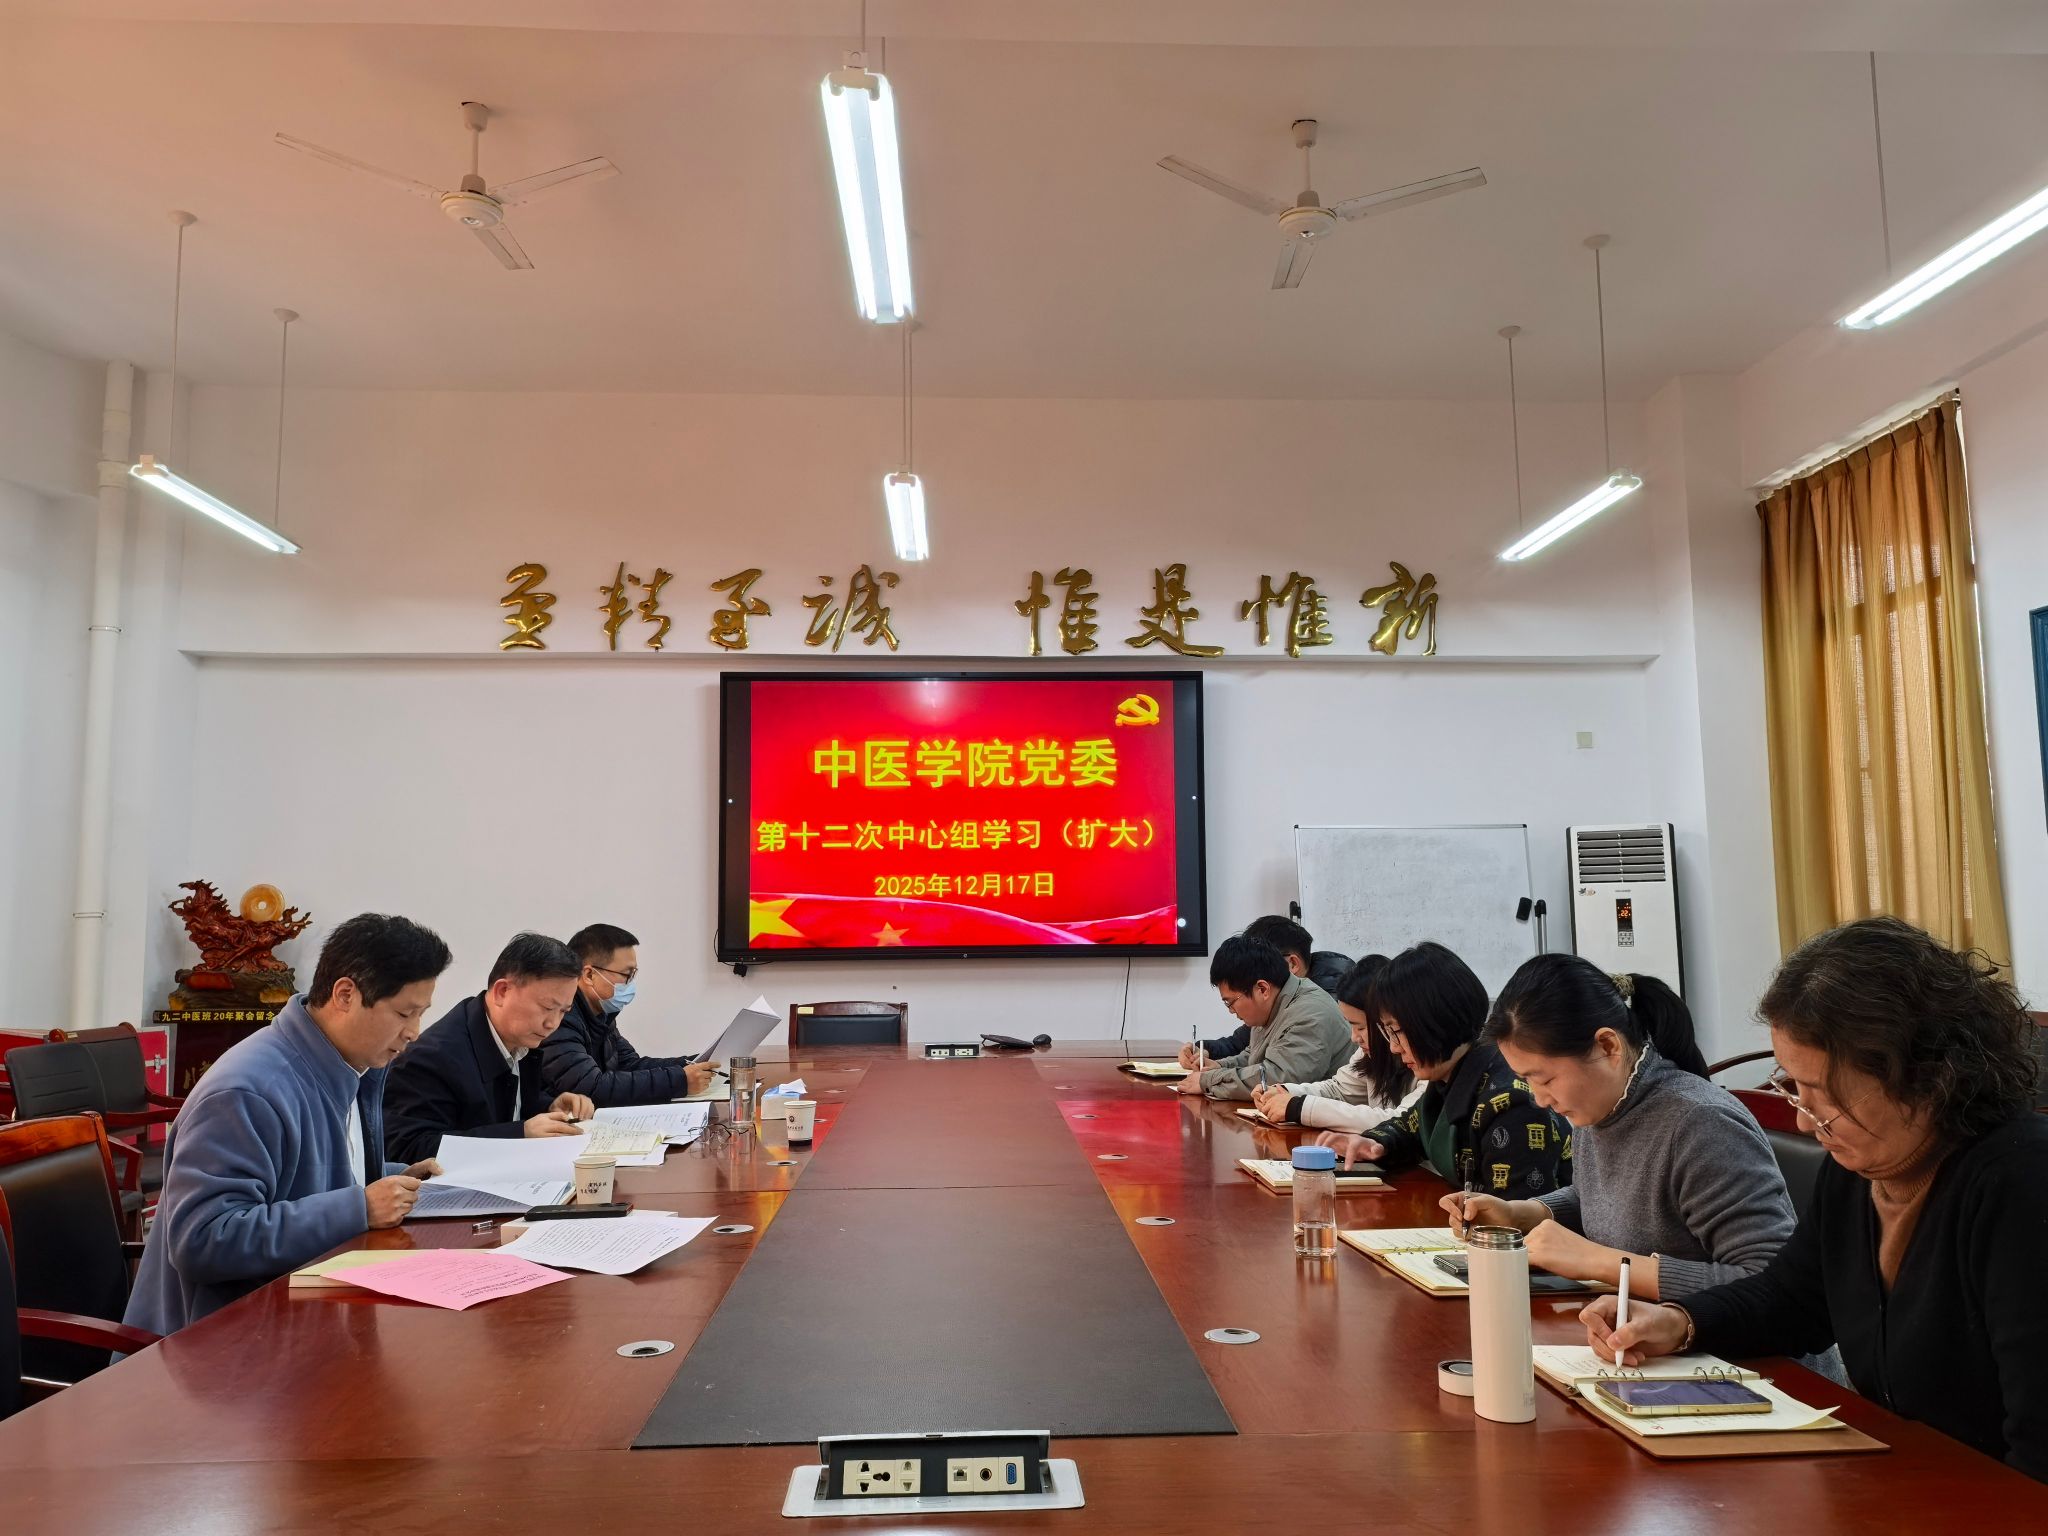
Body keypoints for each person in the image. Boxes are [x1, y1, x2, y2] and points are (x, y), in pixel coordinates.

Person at [1583, 917, 2048, 1483]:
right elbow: (1793, 1300)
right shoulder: (1859, 1172)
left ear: (1923, 1075)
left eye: (1821, 1094)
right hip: (1900, 1480)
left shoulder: (2020, 1186)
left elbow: (2038, 1451)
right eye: (1795, 1087)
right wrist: (1679, 1322)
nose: (1805, 1121)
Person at [124, 913, 453, 1336]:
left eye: (421, 1014)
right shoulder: (248, 1091)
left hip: (311, 1315)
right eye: (405, 1013)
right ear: (346, 994)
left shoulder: (350, 1066)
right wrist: (359, 1208)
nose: (414, 1032)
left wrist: (394, 1177)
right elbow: (204, 1239)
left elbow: (310, 1177)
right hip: (226, 1343)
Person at [1442, 954, 1792, 1300]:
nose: (1540, 1099)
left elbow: (1772, 1285)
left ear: (1608, 1046)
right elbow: (1597, 1198)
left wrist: (1598, 1261)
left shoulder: (1702, 1124)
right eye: (1527, 1080)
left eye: (1545, 1079)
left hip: (1726, 1338)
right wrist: (1520, 1214)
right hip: (1633, 1326)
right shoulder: (1601, 1104)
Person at [1313, 941, 1569, 1196]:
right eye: (1386, 1031)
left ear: (1434, 1021)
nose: (1393, 1047)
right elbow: (1411, 1127)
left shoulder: (1510, 1101)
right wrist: (1375, 1143)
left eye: (1396, 1030)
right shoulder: (1452, 1073)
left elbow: (1517, 1212)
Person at [383, 932, 597, 1165]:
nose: (553, 1023)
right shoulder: (433, 1056)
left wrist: (548, 1106)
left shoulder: (520, 1037)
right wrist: (519, 1135)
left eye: (563, 1011)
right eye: (547, 1007)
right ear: (502, 991)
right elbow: (409, 1149)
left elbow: (506, 1106)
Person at [540, 922, 719, 1107]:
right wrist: (679, 1080)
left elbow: (630, 1065)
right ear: (589, 975)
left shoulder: (603, 1015)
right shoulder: (562, 1018)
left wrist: (693, 1064)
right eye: (627, 975)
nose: (630, 984)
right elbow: (591, 1087)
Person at [1174, 934, 1353, 1102]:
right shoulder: (1275, 1003)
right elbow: (1254, 1057)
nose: (1231, 1011)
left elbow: (1279, 1078)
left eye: (1230, 1002)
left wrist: (1209, 1081)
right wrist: (1219, 1066)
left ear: (1262, 989)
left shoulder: (1310, 1013)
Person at [1247, 954, 1417, 1130]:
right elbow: (1338, 1090)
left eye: (1360, 1027)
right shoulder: (1371, 1053)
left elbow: (1400, 1122)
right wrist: (1285, 1092)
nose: (1354, 1037)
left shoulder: (1424, 1059)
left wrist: (1298, 1107)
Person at [1180, 915, 1351, 1068]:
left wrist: (1210, 1079)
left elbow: (1279, 1074)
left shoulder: (1317, 1005)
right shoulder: (1278, 1000)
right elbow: (1246, 1047)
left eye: (1265, 957)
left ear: (1292, 963)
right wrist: (1204, 1050)